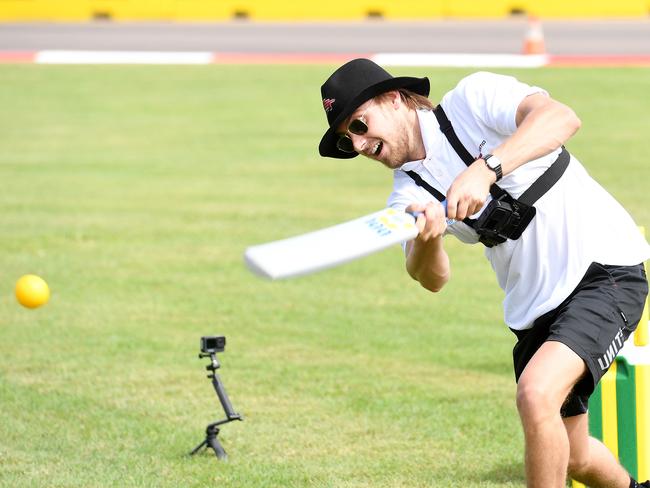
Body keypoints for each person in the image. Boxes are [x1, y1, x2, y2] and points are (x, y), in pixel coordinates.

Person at [317, 58, 650, 488]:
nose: (358, 144)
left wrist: (486, 168)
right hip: (534, 311)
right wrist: (428, 236)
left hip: (603, 269)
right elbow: (431, 278)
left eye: (359, 126)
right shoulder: (406, 195)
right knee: (575, 456)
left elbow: (561, 118)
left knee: (536, 395)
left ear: (395, 98)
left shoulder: (473, 99)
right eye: (347, 141)